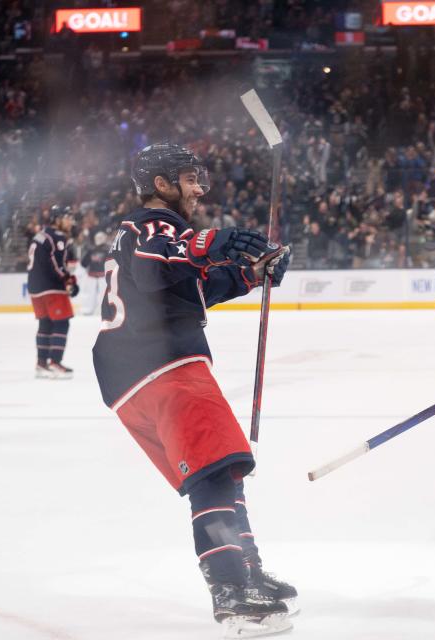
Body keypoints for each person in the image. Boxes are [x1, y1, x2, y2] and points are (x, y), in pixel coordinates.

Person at [92, 143, 297, 638]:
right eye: (189, 178)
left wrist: (250, 274)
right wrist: (212, 242)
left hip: (136, 372)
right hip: (159, 363)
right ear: (161, 185)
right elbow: (156, 261)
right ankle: (230, 592)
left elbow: (190, 284)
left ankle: (245, 570)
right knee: (211, 477)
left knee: (220, 471)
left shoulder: (164, 235)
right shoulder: (150, 225)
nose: (200, 187)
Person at [27, 204, 79, 379]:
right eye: (68, 218)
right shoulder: (57, 236)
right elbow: (56, 265)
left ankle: (41, 364)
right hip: (51, 287)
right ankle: (55, 363)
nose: (71, 222)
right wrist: (69, 280)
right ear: (58, 219)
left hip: (35, 287)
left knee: (45, 323)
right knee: (62, 323)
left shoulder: (40, 235)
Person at [79, 230, 108, 315]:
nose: (99, 239)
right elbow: (84, 263)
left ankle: (105, 310)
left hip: (103, 276)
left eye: (101, 238)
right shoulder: (91, 250)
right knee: (90, 294)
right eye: (98, 238)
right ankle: (89, 309)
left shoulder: (108, 250)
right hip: (92, 276)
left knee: (104, 294)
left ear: (104, 238)